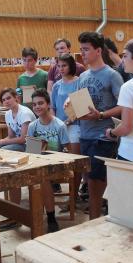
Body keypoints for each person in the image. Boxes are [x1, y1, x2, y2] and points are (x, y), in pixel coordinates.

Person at [74, 31, 123, 219]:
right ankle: (97, 219)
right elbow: (79, 104)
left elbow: (123, 106)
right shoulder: (83, 76)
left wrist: (101, 114)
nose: (83, 53)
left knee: (96, 183)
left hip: (103, 136)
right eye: (81, 49)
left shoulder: (112, 75)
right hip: (84, 134)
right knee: (90, 182)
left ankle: (94, 222)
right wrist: (70, 106)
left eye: (86, 49)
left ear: (98, 51)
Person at [27, 89, 69, 233]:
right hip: (39, 163)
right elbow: (32, 153)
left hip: (56, 164)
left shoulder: (59, 125)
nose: (37, 107)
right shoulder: (33, 126)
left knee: (42, 178)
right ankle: (29, 215)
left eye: (40, 103)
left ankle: (51, 217)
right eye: (34, 104)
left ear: (48, 104)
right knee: (30, 176)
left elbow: (67, 151)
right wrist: (39, 148)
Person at [0, 88, 36, 203]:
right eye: (3, 100)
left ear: (16, 98)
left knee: (5, 151)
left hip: (33, 145)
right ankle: (9, 183)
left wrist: (0, 143)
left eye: (9, 98)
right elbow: (10, 136)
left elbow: (22, 139)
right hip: (21, 144)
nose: (6, 101)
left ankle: (13, 182)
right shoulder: (8, 114)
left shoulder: (24, 113)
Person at [50, 53, 82, 196]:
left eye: (64, 65)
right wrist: (54, 123)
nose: (61, 69)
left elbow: (81, 107)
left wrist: (68, 121)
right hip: (59, 126)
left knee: (74, 162)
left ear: (71, 66)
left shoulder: (79, 82)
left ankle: (74, 196)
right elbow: (53, 107)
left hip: (75, 126)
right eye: (59, 66)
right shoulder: (57, 85)